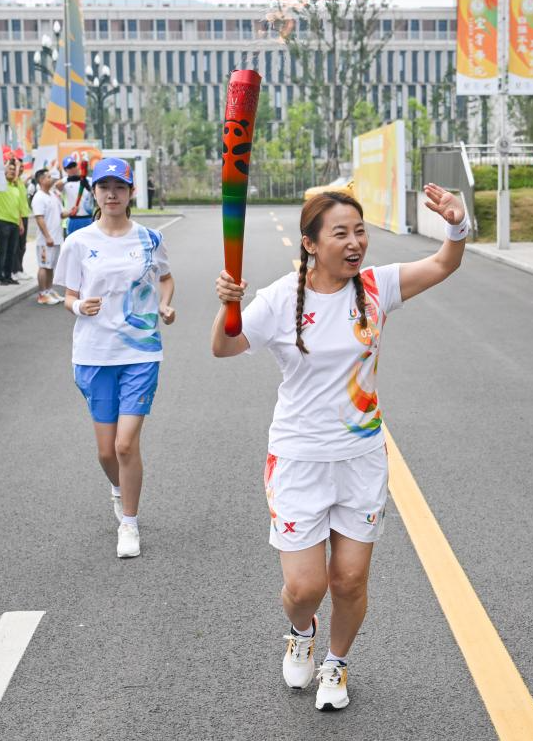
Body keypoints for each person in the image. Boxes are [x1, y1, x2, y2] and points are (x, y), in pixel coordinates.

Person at [211, 185, 468, 712]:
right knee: (306, 587)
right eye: (340, 234)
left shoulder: (377, 286)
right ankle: (300, 629)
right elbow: (225, 347)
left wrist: (457, 225)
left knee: (349, 579)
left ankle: (336, 662)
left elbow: (444, 263)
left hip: (361, 458)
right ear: (310, 243)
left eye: (359, 231)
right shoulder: (282, 298)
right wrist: (229, 307)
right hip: (298, 459)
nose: (355, 243)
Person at [54, 158, 176, 558]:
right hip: (93, 354)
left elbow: (165, 278)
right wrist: (77, 308)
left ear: (130, 193)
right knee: (106, 452)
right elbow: (67, 295)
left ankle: (129, 523)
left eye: (119, 187)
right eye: (104, 187)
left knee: (126, 446)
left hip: (140, 351)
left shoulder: (149, 239)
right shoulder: (79, 242)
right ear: (95, 193)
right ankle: (120, 488)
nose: (111, 194)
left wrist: (166, 305)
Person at [30, 168, 66, 304]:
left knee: (50, 266)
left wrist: (72, 211)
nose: (51, 179)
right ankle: (42, 294)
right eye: (48, 177)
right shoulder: (39, 197)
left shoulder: (52, 195)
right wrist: (47, 237)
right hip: (45, 240)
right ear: (41, 180)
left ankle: (49, 290)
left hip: (56, 238)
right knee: (44, 266)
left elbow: (61, 214)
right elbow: (39, 219)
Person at [0, 158, 30, 285]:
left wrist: (20, 223)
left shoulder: (15, 187)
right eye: (9, 169)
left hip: (14, 223)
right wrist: (5, 165)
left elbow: (18, 207)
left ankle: (8, 276)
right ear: (4, 171)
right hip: (1, 221)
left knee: (12, 251)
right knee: (2, 250)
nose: (12, 171)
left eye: (13, 170)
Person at [62, 155, 95, 237]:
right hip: (73, 219)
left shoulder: (89, 180)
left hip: (88, 219)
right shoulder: (65, 183)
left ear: (77, 166)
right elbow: (56, 186)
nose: (73, 169)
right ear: (65, 170)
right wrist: (69, 179)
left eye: (74, 166)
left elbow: (96, 194)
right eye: (69, 167)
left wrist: (87, 186)